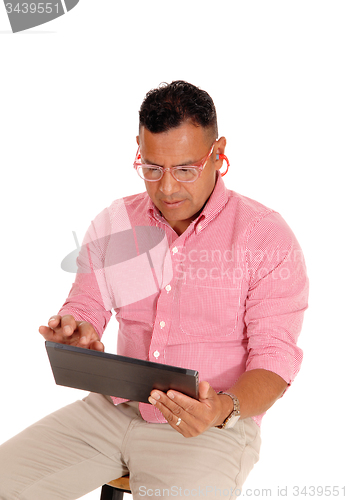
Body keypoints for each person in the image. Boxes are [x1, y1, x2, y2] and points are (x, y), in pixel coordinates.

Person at [0, 81, 308, 499]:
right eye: (152, 168)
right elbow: (86, 305)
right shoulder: (116, 221)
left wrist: (221, 408)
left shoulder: (264, 236)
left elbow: (275, 361)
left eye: (185, 169)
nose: (166, 189)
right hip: (111, 410)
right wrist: (76, 330)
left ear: (218, 155)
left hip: (208, 429)